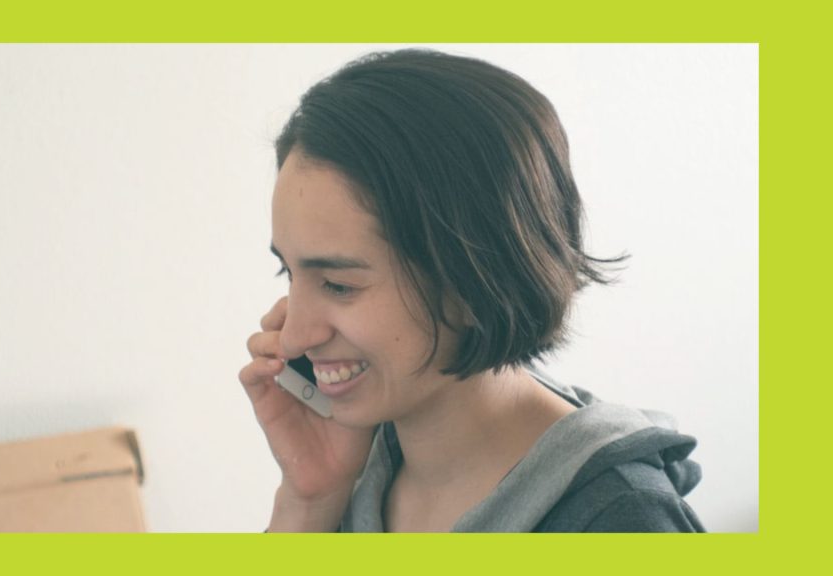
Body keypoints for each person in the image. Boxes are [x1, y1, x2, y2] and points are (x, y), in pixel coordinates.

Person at [239, 49, 704, 532]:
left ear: (474, 276)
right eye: (288, 274)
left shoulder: (620, 521)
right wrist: (310, 500)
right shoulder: (359, 462)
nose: (292, 336)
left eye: (338, 284)